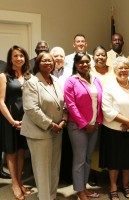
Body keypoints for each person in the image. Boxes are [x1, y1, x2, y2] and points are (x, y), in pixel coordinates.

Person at [21, 52, 66, 200]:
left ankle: (51, 196)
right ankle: (44, 198)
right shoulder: (32, 82)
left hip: (56, 131)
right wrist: (51, 124)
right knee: (42, 169)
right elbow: (31, 108)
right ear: (38, 64)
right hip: (39, 132)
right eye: (44, 61)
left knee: (54, 167)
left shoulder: (55, 80)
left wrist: (63, 120)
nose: (48, 63)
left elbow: (63, 104)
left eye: (50, 61)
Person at [99, 56, 129, 200]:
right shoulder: (109, 87)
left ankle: (126, 185)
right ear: (115, 70)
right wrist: (126, 122)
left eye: (126, 68)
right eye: (120, 68)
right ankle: (113, 187)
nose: (123, 71)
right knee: (114, 161)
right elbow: (107, 110)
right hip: (113, 130)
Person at [64, 52, 103, 200]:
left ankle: (84, 187)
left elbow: (100, 102)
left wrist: (98, 121)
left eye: (87, 62)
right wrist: (84, 123)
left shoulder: (96, 80)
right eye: (81, 62)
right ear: (75, 64)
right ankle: (80, 191)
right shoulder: (71, 81)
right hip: (77, 126)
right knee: (80, 159)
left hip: (94, 125)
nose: (84, 65)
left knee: (88, 158)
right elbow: (71, 105)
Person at [0, 45, 31, 200]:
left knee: (21, 151)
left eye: (21, 56)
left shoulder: (28, 76)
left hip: (26, 120)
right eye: (15, 56)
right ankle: (14, 184)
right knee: (11, 152)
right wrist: (12, 121)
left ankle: (19, 182)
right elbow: (0, 102)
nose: (19, 58)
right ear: (10, 58)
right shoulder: (4, 76)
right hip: (10, 119)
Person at [89, 45, 115, 186]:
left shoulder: (113, 71)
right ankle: (94, 172)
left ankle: (108, 170)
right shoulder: (89, 71)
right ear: (93, 57)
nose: (100, 57)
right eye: (98, 55)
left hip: (111, 112)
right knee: (95, 143)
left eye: (103, 55)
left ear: (107, 57)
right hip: (96, 112)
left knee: (109, 143)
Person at [50, 46, 73, 184]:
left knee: (67, 147)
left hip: (67, 114)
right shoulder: (45, 72)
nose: (59, 58)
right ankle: (53, 177)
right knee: (52, 148)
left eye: (61, 56)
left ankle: (65, 175)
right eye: (56, 56)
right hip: (51, 115)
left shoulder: (70, 72)